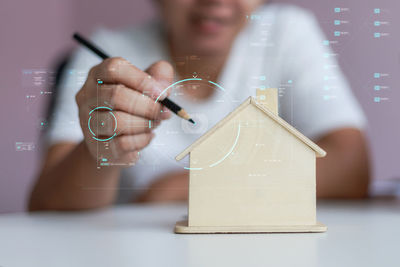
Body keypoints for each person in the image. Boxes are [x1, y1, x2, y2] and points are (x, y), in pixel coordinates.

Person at [29, 0, 370, 211]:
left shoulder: (287, 32)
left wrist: (175, 190)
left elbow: (351, 167)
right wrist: (100, 150)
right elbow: (47, 208)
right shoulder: (105, 55)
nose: (216, 1)